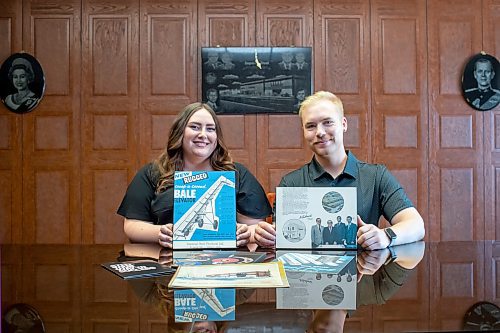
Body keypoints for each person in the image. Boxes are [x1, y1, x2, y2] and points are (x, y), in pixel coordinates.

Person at [254, 91, 425, 250]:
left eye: (327, 122)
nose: (320, 132)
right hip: (308, 278)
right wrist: (267, 236)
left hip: (363, 276)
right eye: (311, 126)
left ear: (344, 124)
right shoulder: (291, 183)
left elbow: (416, 225)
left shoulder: (376, 176)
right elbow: (281, 237)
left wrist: (386, 236)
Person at [117, 102, 272, 248]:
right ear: (180, 132)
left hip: (225, 264)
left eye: (210, 129)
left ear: (217, 138)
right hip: (166, 262)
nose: (203, 135)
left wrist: (247, 234)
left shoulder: (237, 174)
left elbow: (255, 227)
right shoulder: (153, 173)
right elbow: (132, 225)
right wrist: (159, 233)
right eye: (195, 127)